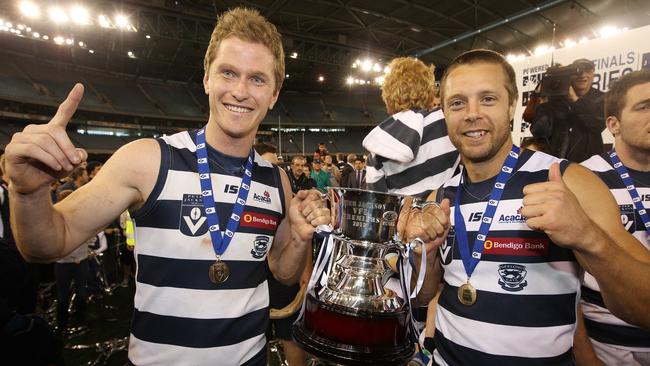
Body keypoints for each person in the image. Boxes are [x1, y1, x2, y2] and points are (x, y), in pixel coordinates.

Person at [5, 7, 329, 365]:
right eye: (228, 73)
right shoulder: (147, 160)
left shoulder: (275, 178)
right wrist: (29, 193)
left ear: (274, 94)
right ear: (207, 79)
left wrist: (299, 236)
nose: (240, 91)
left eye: (257, 79)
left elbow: (281, 271)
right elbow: (49, 242)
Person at [406, 49, 650, 365]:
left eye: (488, 99)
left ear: (512, 107)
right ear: (444, 113)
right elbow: (424, 296)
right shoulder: (441, 196)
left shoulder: (570, 181)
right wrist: (421, 254)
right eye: (457, 103)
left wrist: (588, 237)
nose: (472, 113)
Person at [575, 70, 650, 365]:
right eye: (644, 107)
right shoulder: (584, 177)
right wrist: (585, 356)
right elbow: (563, 283)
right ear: (613, 124)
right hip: (608, 347)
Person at [363, 57, 459, 198]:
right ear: (429, 90)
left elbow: (377, 201)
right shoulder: (449, 122)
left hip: (406, 217)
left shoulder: (376, 148)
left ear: (388, 97)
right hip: (451, 213)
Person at [530, 58, 605, 162]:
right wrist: (544, 103)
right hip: (555, 162)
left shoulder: (602, 98)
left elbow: (598, 124)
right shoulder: (556, 99)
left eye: (587, 70)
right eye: (576, 72)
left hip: (588, 164)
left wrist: (574, 99)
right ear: (569, 76)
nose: (582, 75)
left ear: (593, 74)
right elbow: (538, 131)